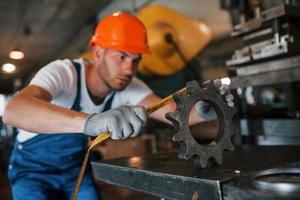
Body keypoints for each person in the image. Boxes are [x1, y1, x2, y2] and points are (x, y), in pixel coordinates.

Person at [3, 11, 232, 200]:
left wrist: (202, 109)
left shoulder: (130, 86)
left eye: (136, 60)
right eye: (121, 57)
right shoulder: (64, 73)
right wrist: (90, 122)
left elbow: (173, 114)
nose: (129, 69)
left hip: (75, 172)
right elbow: (14, 111)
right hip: (33, 173)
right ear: (98, 52)